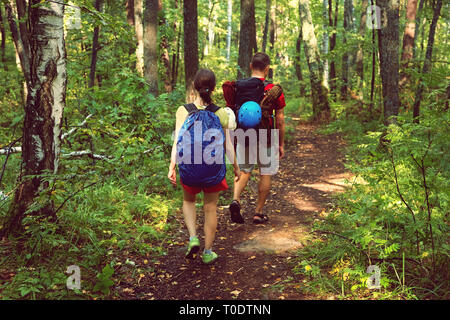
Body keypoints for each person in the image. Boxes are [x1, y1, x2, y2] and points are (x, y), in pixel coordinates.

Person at [168, 69, 241, 264]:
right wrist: (236, 167)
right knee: (210, 207)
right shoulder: (220, 113)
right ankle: (208, 252)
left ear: (194, 87)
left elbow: (177, 141)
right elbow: (227, 144)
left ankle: (193, 237)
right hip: (212, 167)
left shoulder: (183, 110)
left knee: (189, 201)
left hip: (189, 166)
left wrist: (172, 165)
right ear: (214, 88)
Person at [229, 52, 286, 224]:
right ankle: (258, 212)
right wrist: (281, 143)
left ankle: (235, 200)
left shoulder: (237, 86)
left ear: (251, 66)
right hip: (266, 134)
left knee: (244, 170)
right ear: (267, 69)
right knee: (265, 172)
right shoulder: (273, 89)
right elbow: (280, 119)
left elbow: (231, 113)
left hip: (244, 132)